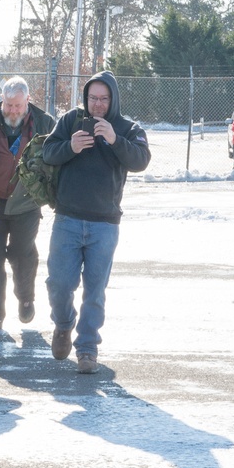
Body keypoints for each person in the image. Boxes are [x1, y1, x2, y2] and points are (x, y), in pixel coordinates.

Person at [42, 70, 151, 373]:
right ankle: (63, 324)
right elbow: (48, 153)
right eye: (93, 98)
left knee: (95, 291)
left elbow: (141, 160)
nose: (98, 105)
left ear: (113, 99)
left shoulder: (128, 128)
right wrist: (70, 147)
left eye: (104, 99)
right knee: (58, 284)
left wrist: (115, 139)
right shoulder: (70, 120)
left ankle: (87, 349)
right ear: (86, 98)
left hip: (105, 223)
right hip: (67, 219)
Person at [0, 77, 56, 333]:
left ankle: (25, 297)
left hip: (27, 202)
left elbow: (55, 160)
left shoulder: (45, 123)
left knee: (22, 253)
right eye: (8, 105)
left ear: (28, 101)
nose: (13, 111)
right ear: (1, 101)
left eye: (18, 105)